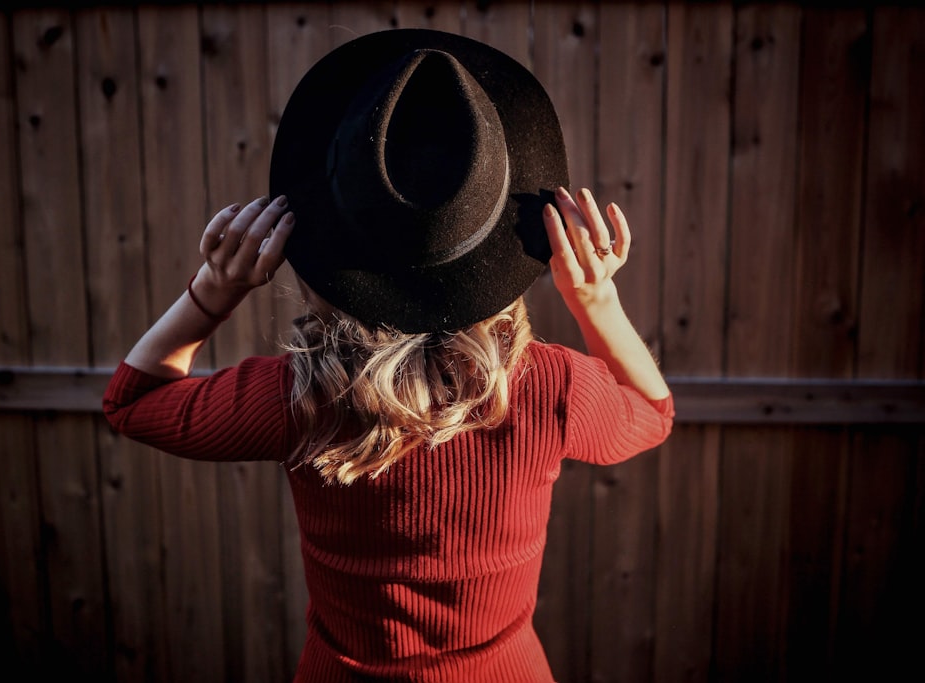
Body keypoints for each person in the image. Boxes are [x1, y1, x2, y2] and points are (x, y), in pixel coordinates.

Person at [103, 28, 673, 683]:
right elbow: (655, 412)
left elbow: (130, 401)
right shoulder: (551, 388)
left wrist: (212, 292)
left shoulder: (301, 396)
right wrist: (596, 301)